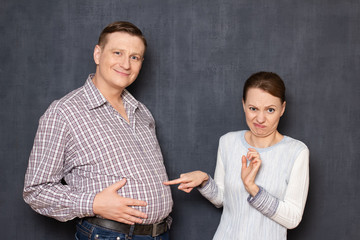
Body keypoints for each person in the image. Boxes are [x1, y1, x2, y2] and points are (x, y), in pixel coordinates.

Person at [23, 21, 173, 240]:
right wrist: (93, 203)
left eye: (135, 57)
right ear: (98, 54)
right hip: (110, 235)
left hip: (160, 234)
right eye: (118, 52)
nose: (126, 64)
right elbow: (36, 190)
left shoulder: (142, 112)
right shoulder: (64, 112)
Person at [164, 71, 309, 239]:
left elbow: (292, 219)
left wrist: (252, 188)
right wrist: (204, 181)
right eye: (253, 108)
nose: (260, 119)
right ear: (243, 105)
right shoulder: (228, 142)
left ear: (282, 109)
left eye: (270, 110)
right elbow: (222, 199)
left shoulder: (297, 152)